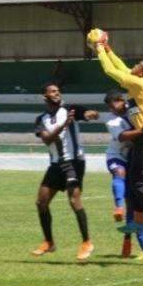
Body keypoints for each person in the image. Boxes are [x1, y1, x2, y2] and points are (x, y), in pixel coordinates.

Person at [91, 29, 143, 242]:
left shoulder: (139, 83)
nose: (132, 67)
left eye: (137, 66)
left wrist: (98, 48)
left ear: (142, 72)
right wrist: (108, 48)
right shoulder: (142, 80)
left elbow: (110, 70)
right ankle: (137, 220)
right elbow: (121, 67)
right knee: (133, 180)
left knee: (137, 180)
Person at [32, 83, 99, 261]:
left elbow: (87, 114)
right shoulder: (41, 119)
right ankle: (49, 242)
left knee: (73, 199)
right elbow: (47, 140)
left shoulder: (70, 110)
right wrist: (63, 125)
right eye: (52, 91)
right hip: (56, 164)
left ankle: (87, 242)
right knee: (41, 202)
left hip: (74, 161)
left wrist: (91, 115)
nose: (57, 93)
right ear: (44, 96)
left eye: (58, 91)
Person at [103, 90, 134, 257]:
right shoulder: (111, 121)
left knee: (133, 200)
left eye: (113, 104)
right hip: (115, 156)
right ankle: (118, 207)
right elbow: (122, 137)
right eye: (109, 106)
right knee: (119, 172)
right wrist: (142, 131)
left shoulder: (134, 110)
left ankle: (127, 241)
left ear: (122, 100)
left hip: (134, 159)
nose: (112, 109)